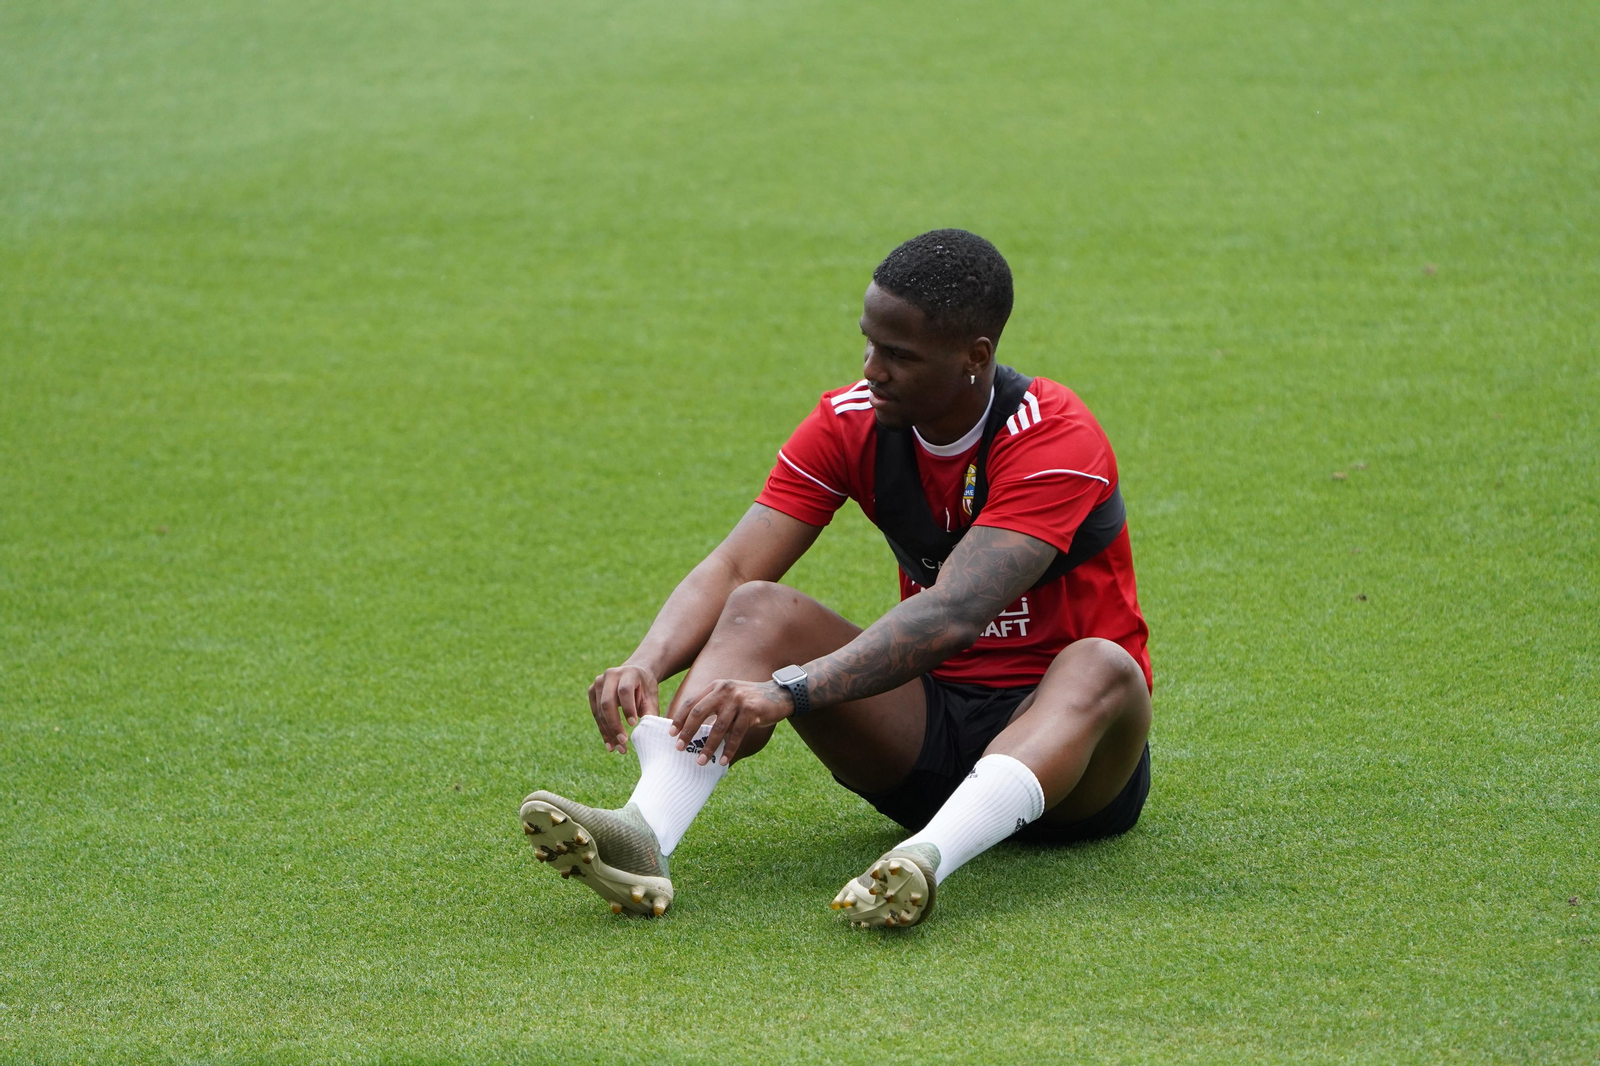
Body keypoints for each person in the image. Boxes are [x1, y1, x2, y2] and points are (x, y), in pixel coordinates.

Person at [519, 229, 1152, 929]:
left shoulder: (1051, 434)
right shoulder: (850, 422)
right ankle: (646, 830)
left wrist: (790, 691)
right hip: (929, 738)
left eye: (899, 355)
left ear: (975, 356)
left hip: (1078, 773)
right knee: (757, 607)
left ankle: (925, 859)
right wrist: (648, 658)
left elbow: (956, 613)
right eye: (870, 343)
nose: (872, 368)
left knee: (1100, 664)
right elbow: (734, 566)